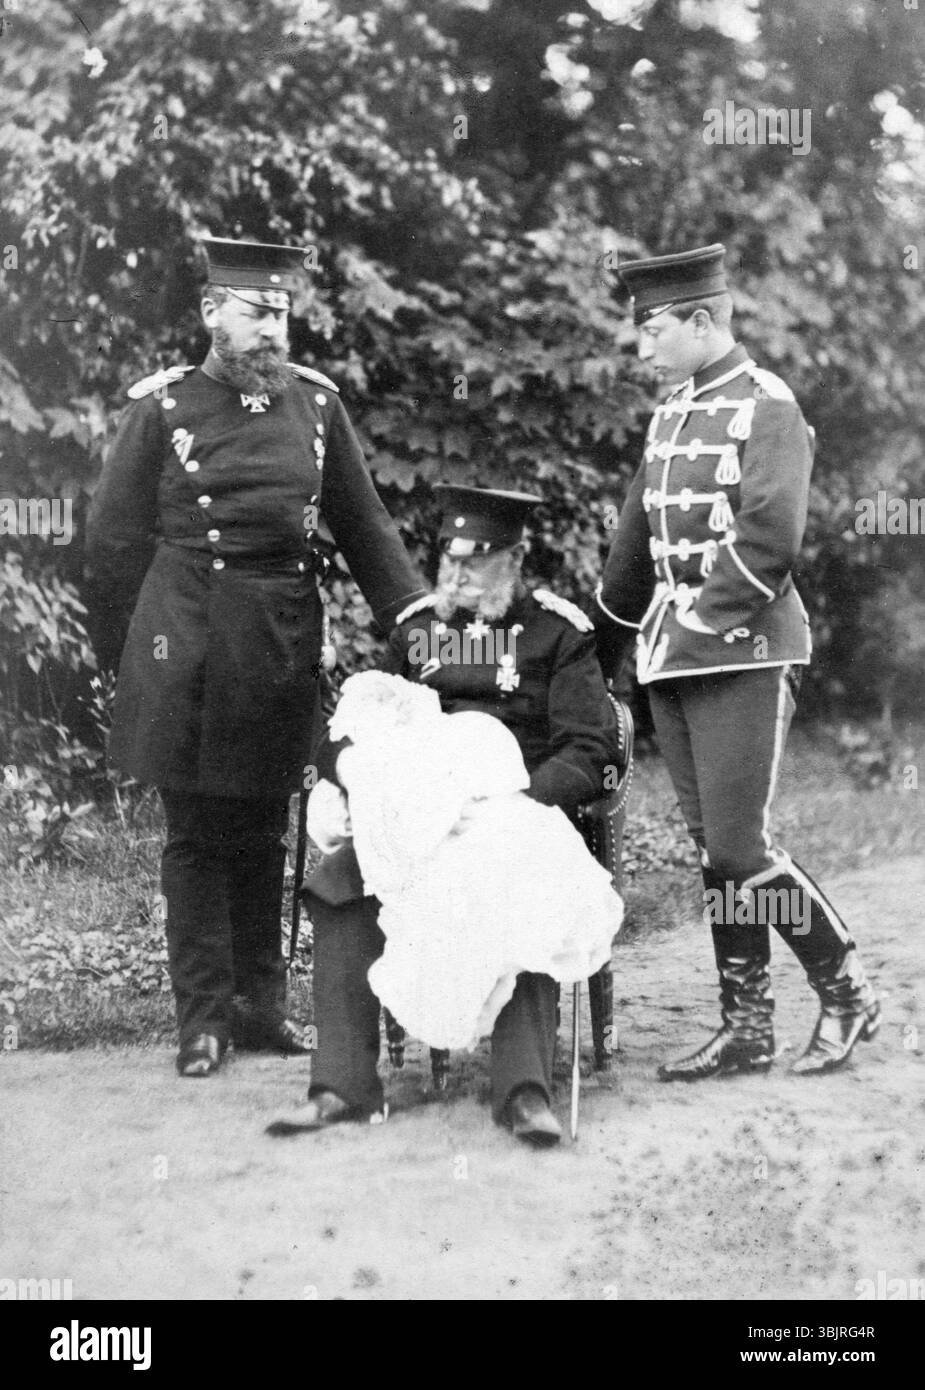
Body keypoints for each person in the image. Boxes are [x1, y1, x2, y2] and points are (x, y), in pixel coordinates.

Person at [84, 236, 427, 1078]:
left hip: (279, 637)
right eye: (254, 313)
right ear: (211, 313)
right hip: (186, 642)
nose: (272, 330)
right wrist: (133, 654)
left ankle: (260, 1008)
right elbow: (109, 545)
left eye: (281, 315)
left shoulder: (316, 408)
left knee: (267, 827)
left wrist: (419, 624)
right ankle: (201, 1021)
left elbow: (367, 527)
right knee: (197, 833)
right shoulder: (160, 411)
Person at [592, 243, 880, 1081]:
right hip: (672, 661)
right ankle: (746, 1025)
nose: (641, 347)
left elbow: (768, 542)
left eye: (652, 330)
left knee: (741, 847)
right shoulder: (671, 413)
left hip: (747, 653)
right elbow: (632, 546)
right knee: (713, 850)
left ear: (701, 320)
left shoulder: (770, 408)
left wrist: (690, 629)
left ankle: (848, 991)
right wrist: (599, 644)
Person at [267, 486, 623, 1146]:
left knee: (526, 887)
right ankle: (340, 1086)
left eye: (475, 563)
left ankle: (522, 1093)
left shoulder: (557, 634)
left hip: (516, 811)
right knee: (338, 885)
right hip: (419, 822)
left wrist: (517, 798)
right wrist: (360, 777)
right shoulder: (420, 632)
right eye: (449, 562)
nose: (456, 576)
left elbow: (591, 748)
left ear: (513, 560)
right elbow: (353, 725)